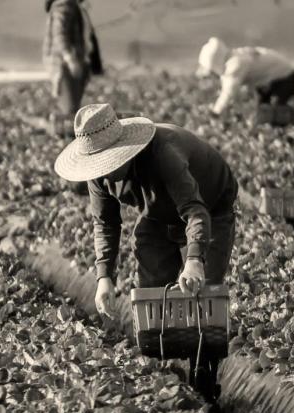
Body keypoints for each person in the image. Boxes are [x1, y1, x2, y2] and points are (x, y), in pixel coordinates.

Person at [52, 103, 238, 317]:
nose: (104, 173)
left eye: (108, 164)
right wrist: (104, 277)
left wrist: (194, 260)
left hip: (210, 204)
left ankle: (202, 343)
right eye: (98, 166)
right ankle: (163, 344)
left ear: (125, 152)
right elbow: (105, 223)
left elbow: (195, 210)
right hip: (157, 213)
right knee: (152, 292)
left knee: (204, 292)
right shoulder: (99, 176)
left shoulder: (163, 153)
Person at [44, 0, 103, 134]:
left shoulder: (73, 6)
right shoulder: (64, 6)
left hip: (72, 63)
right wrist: (70, 59)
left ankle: (57, 130)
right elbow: (59, 35)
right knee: (69, 110)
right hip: (64, 66)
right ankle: (55, 131)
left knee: (72, 109)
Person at [197, 37, 294, 115]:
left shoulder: (235, 65)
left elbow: (229, 92)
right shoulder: (235, 56)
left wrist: (216, 111)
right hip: (273, 78)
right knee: (264, 109)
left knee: (276, 111)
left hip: (283, 78)